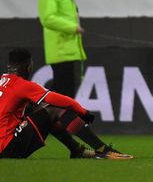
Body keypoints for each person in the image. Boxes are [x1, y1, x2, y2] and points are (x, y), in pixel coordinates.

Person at [0, 48, 133, 159]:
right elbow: (61, 101)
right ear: (28, 67)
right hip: (9, 148)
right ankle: (103, 149)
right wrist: (83, 112)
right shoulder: (22, 85)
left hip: (3, 148)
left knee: (40, 109)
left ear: (9, 66)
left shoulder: (2, 81)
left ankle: (77, 151)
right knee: (54, 110)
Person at [38, 0, 86, 98]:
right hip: (60, 51)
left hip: (68, 50)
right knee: (62, 95)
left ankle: (53, 119)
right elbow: (48, 19)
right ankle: (43, 119)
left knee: (65, 94)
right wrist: (73, 28)